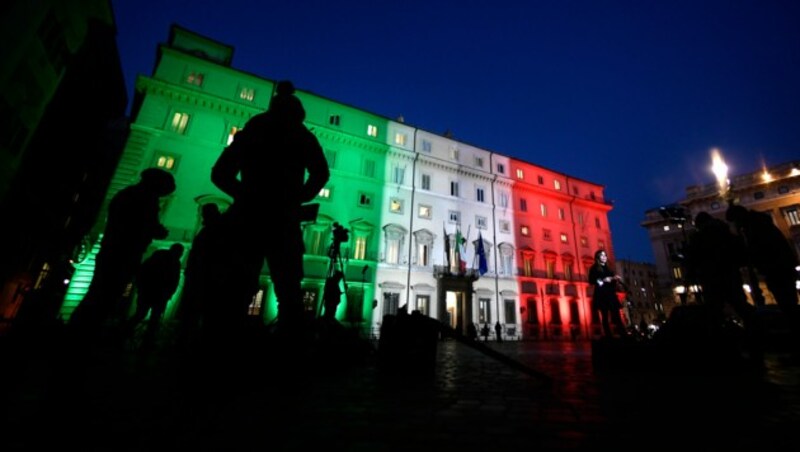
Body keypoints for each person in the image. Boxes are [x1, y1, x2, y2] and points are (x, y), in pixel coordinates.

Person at [211, 80, 330, 337]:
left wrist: (245, 195)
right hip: (281, 217)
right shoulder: (301, 136)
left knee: (239, 282)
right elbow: (321, 173)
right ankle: (288, 342)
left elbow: (220, 173)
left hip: (249, 216)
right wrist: (297, 197)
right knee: (287, 287)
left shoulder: (255, 129)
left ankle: (224, 338)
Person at [68, 168, 176, 340]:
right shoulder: (145, 199)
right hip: (123, 252)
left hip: (116, 250)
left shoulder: (129, 194)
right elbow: (140, 225)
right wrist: (156, 230)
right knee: (104, 295)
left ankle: (78, 333)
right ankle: (79, 335)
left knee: (99, 294)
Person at [684, 211, 762, 358]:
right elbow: (742, 253)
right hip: (730, 274)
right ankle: (755, 342)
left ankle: (721, 348)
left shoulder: (699, 237)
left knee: (714, 312)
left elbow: (691, 258)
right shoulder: (726, 233)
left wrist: (691, 274)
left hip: (711, 278)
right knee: (742, 307)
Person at [726, 204, 800, 354]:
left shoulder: (755, 228)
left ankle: (797, 344)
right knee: (788, 305)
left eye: (735, 221)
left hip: (777, 269)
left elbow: (759, 250)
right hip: (780, 268)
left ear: (739, 217)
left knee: (788, 306)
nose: (735, 225)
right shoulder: (759, 224)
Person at [175, 203, 224, 347]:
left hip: (204, 277)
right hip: (206, 276)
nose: (203, 216)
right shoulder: (213, 230)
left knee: (195, 312)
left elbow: (199, 254)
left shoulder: (209, 231)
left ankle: (189, 341)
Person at [124, 243, 184, 346]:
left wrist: (141, 287)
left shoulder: (157, 258)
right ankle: (147, 340)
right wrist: (169, 293)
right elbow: (174, 280)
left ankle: (125, 331)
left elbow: (142, 272)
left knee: (142, 314)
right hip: (158, 294)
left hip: (149, 292)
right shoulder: (174, 263)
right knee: (153, 318)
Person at [589, 249, 626, 338]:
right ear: (598, 257)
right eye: (602, 255)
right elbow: (592, 280)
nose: (604, 257)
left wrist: (615, 279)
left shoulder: (608, 268)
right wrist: (603, 280)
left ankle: (623, 334)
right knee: (604, 316)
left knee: (617, 315)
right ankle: (608, 335)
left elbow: (612, 280)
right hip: (601, 294)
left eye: (605, 255)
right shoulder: (594, 268)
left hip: (611, 294)